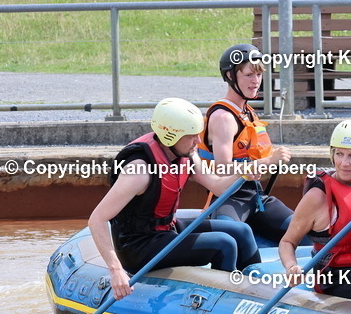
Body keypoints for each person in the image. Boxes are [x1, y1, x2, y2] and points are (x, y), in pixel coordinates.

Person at [88, 98, 261, 300]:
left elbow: (218, 186)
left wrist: (245, 173)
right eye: (191, 136)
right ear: (170, 136)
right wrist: (115, 270)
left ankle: (258, 291)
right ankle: (222, 303)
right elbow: (97, 219)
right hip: (139, 246)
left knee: (241, 231)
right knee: (224, 244)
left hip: (166, 229)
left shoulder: (187, 153)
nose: (198, 141)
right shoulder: (139, 170)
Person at [278, 120, 351, 300]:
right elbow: (287, 242)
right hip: (338, 276)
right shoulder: (318, 197)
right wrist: (291, 266)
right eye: (339, 154)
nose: (344, 163)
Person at [199, 44, 295, 242]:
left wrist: (272, 161)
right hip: (229, 199)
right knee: (232, 237)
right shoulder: (223, 117)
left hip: (257, 197)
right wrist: (267, 162)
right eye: (249, 75)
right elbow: (223, 168)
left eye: (259, 75)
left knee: (305, 229)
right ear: (230, 76)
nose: (256, 81)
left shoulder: (247, 112)